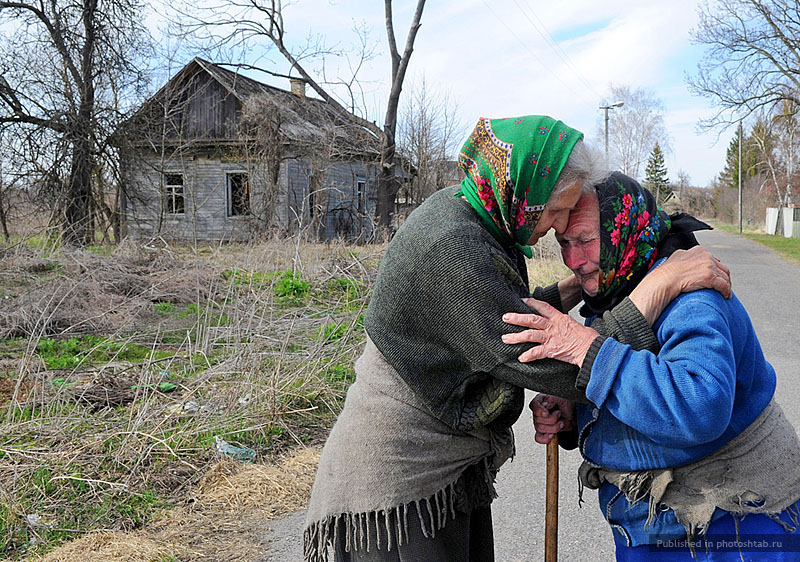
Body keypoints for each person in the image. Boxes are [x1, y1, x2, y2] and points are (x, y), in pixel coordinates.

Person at [303, 116, 731, 562]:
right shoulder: (451, 249)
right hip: (398, 478)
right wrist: (654, 288)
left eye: (575, 225)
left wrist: (579, 284)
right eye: (555, 213)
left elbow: (508, 313)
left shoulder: (479, 210)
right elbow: (553, 361)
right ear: (523, 196)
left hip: (448, 468)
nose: (554, 228)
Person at [502, 172, 800, 561]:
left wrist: (590, 352)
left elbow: (700, 405)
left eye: (586, 240)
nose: (573, 260)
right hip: (657, 529)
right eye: (564, 243)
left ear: (624, 229)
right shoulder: (619, 289)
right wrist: (578, 411)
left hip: (733, 525)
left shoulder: (692, 294)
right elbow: (639, 379)